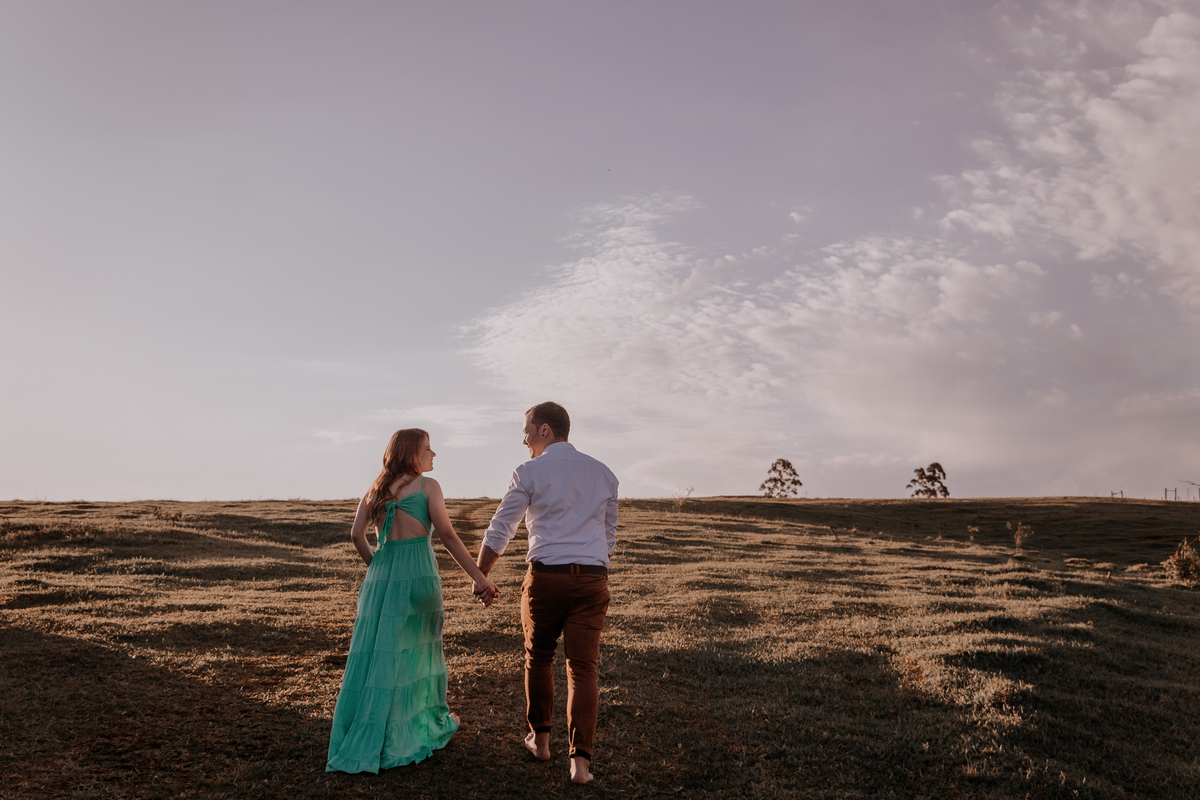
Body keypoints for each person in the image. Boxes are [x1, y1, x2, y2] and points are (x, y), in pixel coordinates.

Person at [326, 428, 499, 774]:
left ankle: (377, 727)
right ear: (411, 454)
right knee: (419, 651)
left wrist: (376, 565)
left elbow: (356, 535)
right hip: (418, 572)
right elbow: (448, 535)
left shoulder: (374, 490)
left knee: (382, 652)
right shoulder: (427, 487)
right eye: (428, 450)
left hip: (382, 574)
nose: (433, 456)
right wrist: (479, 578)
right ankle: (417, 725)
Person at [474, 402, 619, 785]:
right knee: (583, 668)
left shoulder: (529, 471)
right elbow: (609, 537)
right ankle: (581, 766)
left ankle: (540, 741)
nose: (523, 438)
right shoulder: (605, 474)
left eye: (527, 429)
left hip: (546, 580)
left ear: (545, 430)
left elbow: (501, 527)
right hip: (592, 580)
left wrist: (481, 574)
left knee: (538, 657)